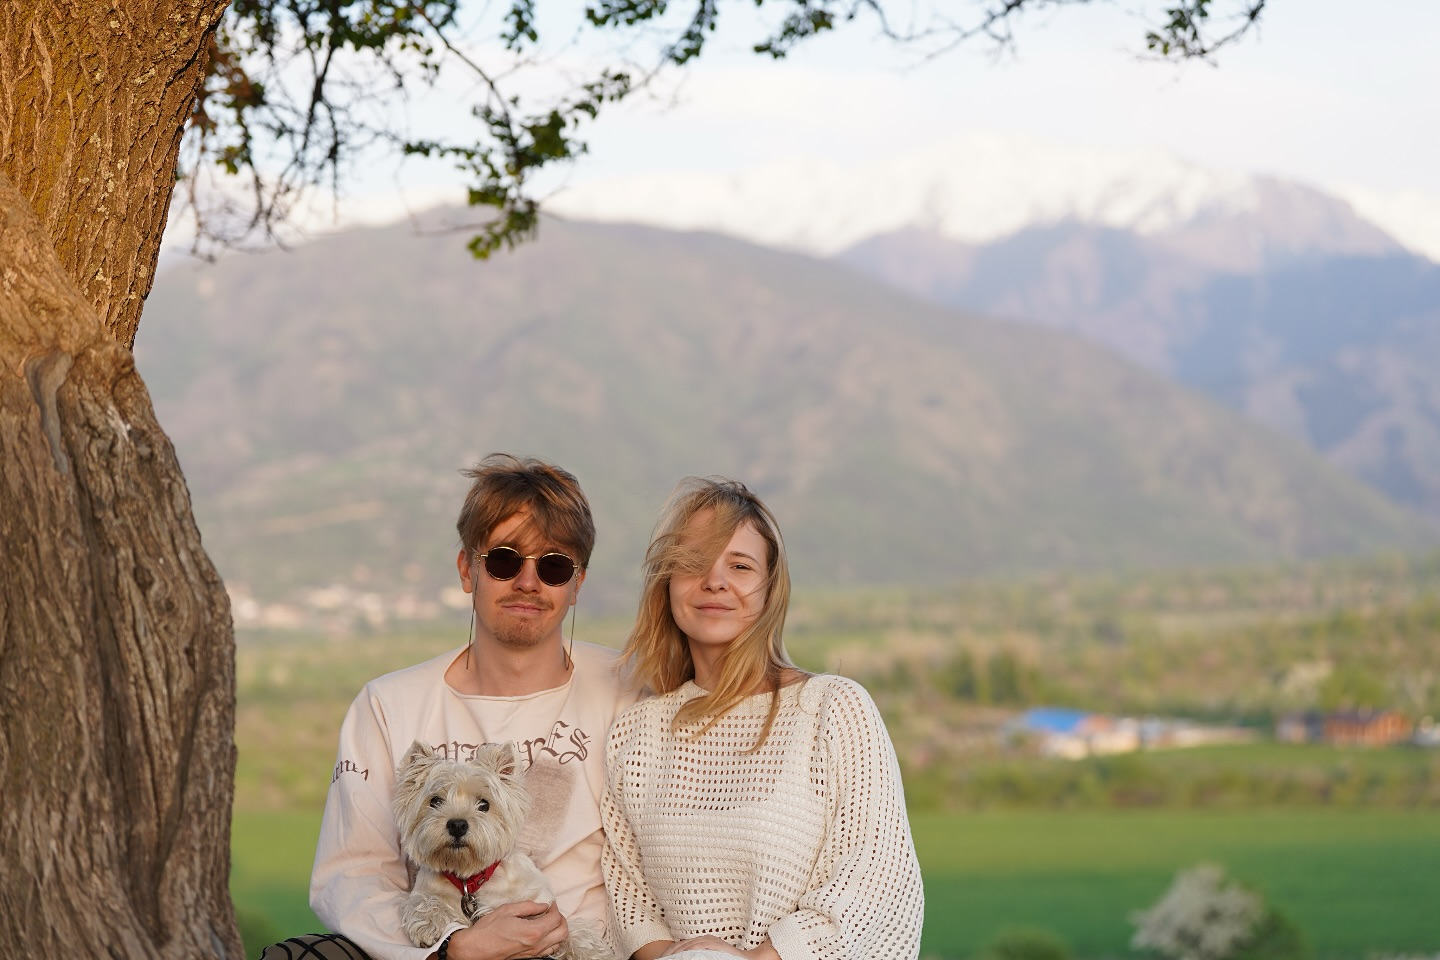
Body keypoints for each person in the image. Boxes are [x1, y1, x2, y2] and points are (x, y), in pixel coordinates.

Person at [295, 454, 635, 960]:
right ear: (466, 570)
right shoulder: (388, 706)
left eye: (553, 566)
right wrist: (452, 947)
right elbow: (353, 873)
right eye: (503, 560)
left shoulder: (630, 692)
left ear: (576, 584)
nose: (528, 582)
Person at [601, 478, 924, 960]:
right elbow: (629, 904)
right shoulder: (635, 733)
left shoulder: (833, 709)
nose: (715, 581)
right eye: (693, 563)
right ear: (667, 583)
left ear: (771, 589)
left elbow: (875, 882)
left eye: (740, 566)